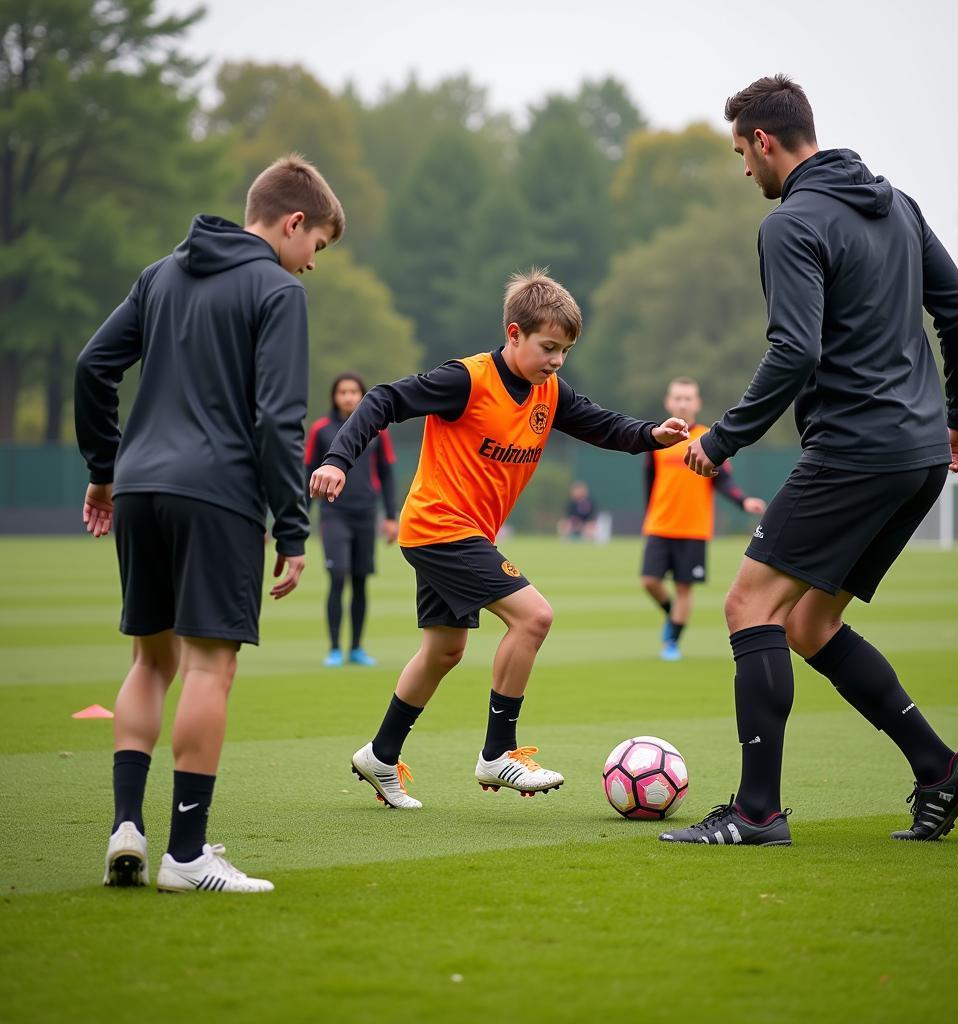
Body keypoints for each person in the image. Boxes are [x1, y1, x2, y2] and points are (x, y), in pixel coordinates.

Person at [660, 75, 958, 848]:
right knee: (808, 623)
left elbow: (795, 349)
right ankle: (940, 769)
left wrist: (721, 438)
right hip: (919, 453)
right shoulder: (898, 204)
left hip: (856, 450)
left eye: (744, 152)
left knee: (749, 607)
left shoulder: (790, 224)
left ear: (766, 142)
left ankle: (755, 813)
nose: (746, 170)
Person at [309, 269, 688, 809]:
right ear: (514, 334)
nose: (557, 360)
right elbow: (382, 400)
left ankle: (380, 755)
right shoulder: (466, 379)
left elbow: (602, 425)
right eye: (548, 347)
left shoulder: (548, 391)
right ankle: (498, 752)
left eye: (565, 351)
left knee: (443, 650)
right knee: (534, 617)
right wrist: (337, 460)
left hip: (460, 533)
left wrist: (653, 433)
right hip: (440, 526)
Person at [75, 155, 345, 891]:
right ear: (293, 223)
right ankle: (186, 856)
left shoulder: (159, 274)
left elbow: (92, 367)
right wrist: (292, 529)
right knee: (207, 668)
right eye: (316, 245)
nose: (311, 264)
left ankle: (126, 826)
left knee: (148, 661)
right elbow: (278, 417)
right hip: (217, 494)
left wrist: (104, 469)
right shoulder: (278, 291)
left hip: (136, 489)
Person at [641, 377, 766, 661]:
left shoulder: (709, 439)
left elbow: (724, 481)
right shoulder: (658, 438)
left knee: (684, 587)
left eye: (688, 398)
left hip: (694, 528)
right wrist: (650, 512)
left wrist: (743, 500)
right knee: (650, 581)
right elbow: (649, 481)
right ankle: (674, 617)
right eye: (678, 397)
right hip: (659, 525)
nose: (682, 403)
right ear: (668, 402)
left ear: (697, 403)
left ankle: (671, 641)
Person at [305, 372, 399, 667]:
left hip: (366, 514)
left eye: (354, 392)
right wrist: (299, 520)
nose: (348, 397)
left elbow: (386, 474)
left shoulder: (377, 429)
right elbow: (307, 474)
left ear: (362, 396)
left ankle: (356, 648)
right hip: (333, 514)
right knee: (338, 575)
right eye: (343, 392)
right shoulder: (320, 430)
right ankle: (334, 648)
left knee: (360, 581)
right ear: (335, 396)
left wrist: (391, 517)